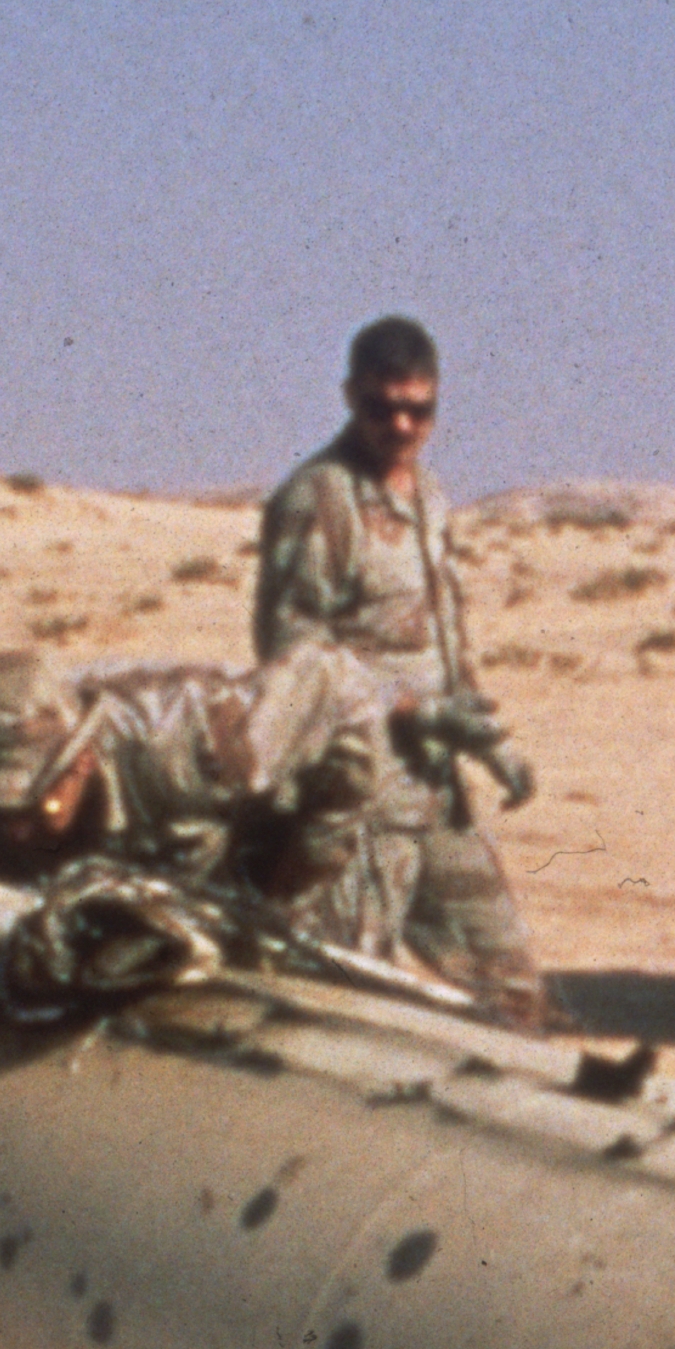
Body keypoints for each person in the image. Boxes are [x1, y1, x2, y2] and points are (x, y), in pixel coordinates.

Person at [250, 314, 558, 1029]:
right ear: (350, 395)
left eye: (418, 409)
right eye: (381, 407)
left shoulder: (431, 498)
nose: (400, 424)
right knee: (347, 1002)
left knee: (512, 992)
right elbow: (294, 652)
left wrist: (486, 737)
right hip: (357, 799)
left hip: (436, 793)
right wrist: (413, 710)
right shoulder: (319, 498)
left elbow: (443, 638)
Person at [0, 647, 456, 976]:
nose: (13, 828)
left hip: (299, 807)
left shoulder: (196, 743)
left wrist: (304, 874)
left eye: (34, 804)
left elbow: (334, 681)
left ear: (81, 761)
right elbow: (4, 900)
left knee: (327, 980)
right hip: (176, 860)